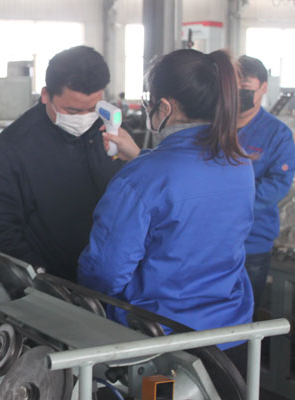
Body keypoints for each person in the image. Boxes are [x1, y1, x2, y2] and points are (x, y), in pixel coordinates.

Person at [77, 49, 255, 370]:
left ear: (166, 107)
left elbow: (105, 272)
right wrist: (141, 155)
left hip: (163, 342)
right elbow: (190, 189)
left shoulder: (141, 178)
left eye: (149, 101)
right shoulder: (239, 163)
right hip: (231, 334)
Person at [0, 46, 124, 281]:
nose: (84, 118)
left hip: (113, 278)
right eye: (72, 110)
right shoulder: (13, 149)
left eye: (92, 109)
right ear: (46, 95)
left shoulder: (111, 134)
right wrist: (41, 282)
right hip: (59, 285)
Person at [237, 55, 295, 310]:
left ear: (263, 88)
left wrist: (229, 203)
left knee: (245, 313)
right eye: (233, 87)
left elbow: (278, 184)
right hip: (212, 240)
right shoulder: (214, 126)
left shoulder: (277, 134)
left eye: (245, 88)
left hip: (252, 241)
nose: (238, 93)